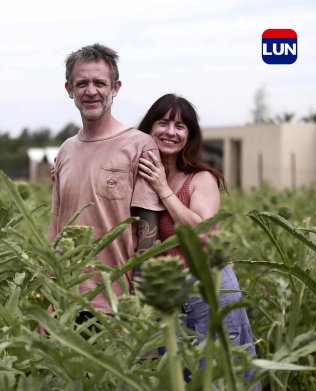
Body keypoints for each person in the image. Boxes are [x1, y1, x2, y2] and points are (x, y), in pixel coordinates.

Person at [136, 93, 258, 387]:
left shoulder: (201, 178)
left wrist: (164, 190)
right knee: (180, 377)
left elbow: (203, 233)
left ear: (189, 136)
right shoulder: (140, 175)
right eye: (163, 123)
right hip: (167, 291)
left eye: (180, 126)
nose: (170, 132)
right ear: (149, 128)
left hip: (208, 289)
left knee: (220, 375)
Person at [48, 43, 164, 314]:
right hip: (67, 299)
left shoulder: (139, 145)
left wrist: (138, 296)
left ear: (115, 88)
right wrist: (49, 291)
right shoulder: (65, 150)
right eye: (82, 83)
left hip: (118, 301)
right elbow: (55, 224)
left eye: (100, 83)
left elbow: (148, 226)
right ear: (69, 90)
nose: (91, 91)